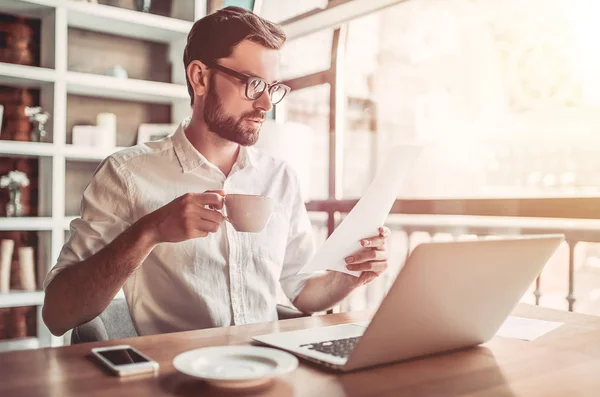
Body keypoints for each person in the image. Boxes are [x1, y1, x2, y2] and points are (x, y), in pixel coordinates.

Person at [42, 7, 391, 337]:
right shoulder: (126, 174)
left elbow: (301, 291)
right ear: (199, 78)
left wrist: (352, 276)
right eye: (253, 84)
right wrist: (150, 231)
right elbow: (58, 314)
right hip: (176, 378)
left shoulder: (280, 178)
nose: (266, 105)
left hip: (269, 368)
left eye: (272, 88)